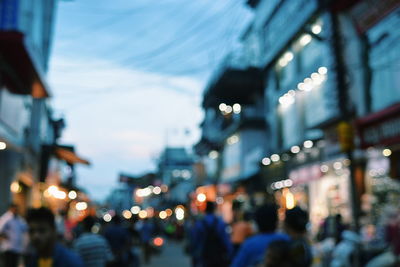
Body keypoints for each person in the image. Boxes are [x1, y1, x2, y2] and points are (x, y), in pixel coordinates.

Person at [193, 201, 233, 267]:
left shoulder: (199, 223)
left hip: (204, 255)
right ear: (213, 209)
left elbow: (195, 240)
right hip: (218, 256)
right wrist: (230, 253)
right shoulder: (219, 223)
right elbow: (225, 240)